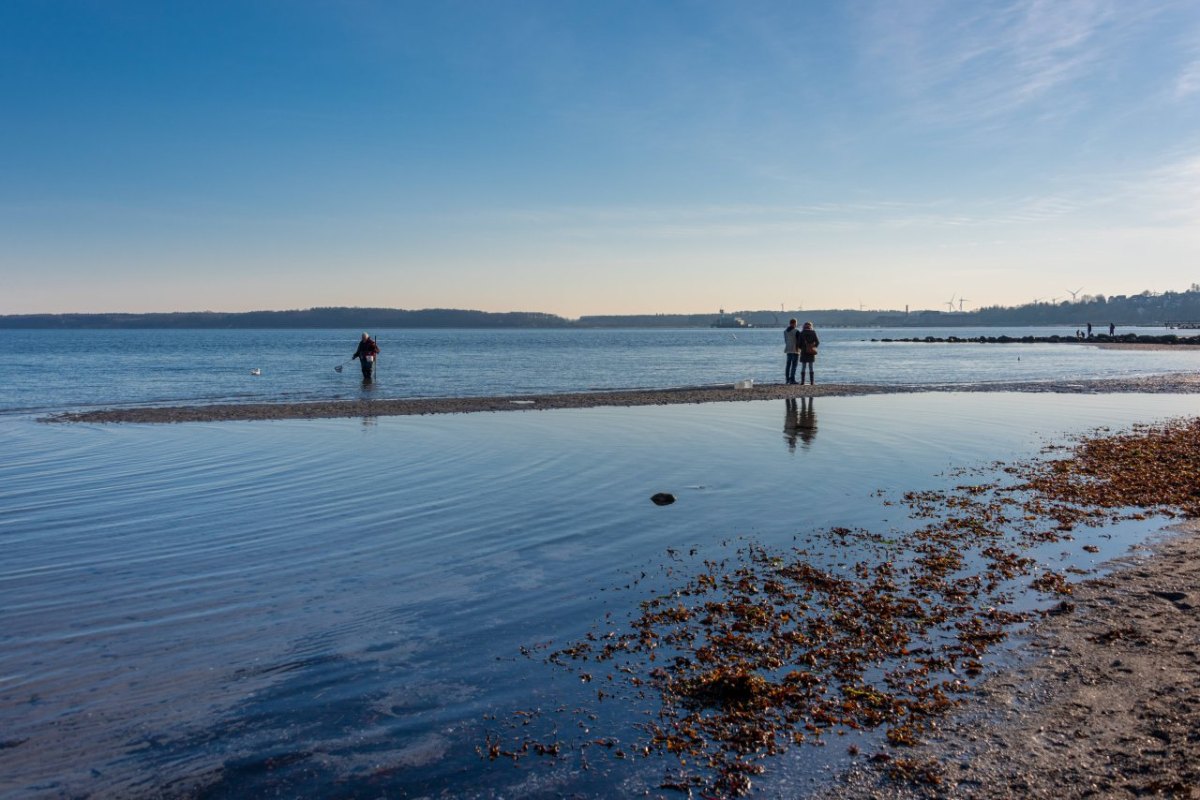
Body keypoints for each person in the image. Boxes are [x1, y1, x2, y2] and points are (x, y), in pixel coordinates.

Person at [783, 319, 802, 384]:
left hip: (788, 349)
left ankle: (787, 379)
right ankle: (792, 380)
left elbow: (785, 341)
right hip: (795, 350)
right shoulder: (797, 331)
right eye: (796, 323)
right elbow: (799, 341)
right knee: (794, 366)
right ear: (794, 323)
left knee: (788, 365)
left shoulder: (785, 331)